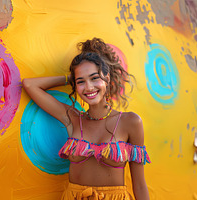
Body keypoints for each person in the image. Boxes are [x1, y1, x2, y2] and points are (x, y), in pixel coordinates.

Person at [22, 38, 150, 200]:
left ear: (107, 79)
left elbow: (139, 184)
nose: (89, 87)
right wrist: (70, 79)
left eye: (94, 78)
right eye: (81, 82)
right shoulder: (73, 119)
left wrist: (79, 78)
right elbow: (29, 85)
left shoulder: (130, 122)